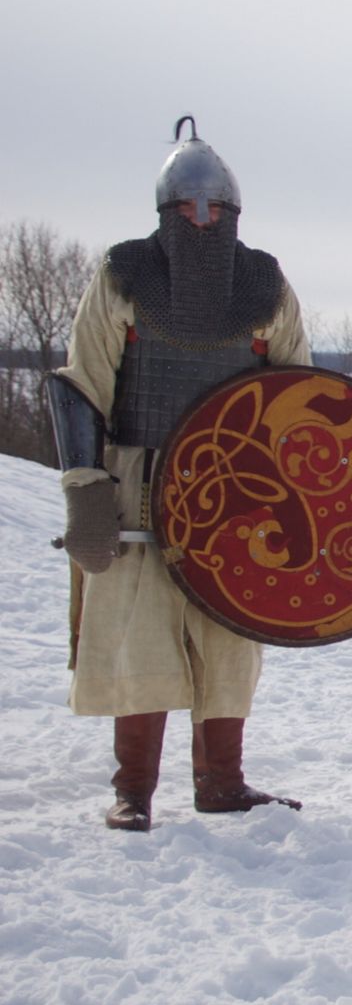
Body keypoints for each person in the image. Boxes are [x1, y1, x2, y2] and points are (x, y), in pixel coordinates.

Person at [47, 117, 311, 831]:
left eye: (216, 208)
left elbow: (299, 396)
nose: (203, 217)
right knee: (142, 633)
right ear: (166, 213)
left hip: (236, 485)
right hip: (138, 480)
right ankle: (133, 790)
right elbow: (83, 382)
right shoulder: (124, 275)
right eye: (190, 207)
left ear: (233, 215)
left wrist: (300, 495)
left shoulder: (264, 285)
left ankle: (221, 784)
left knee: (229, 633)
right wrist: (85, 488)